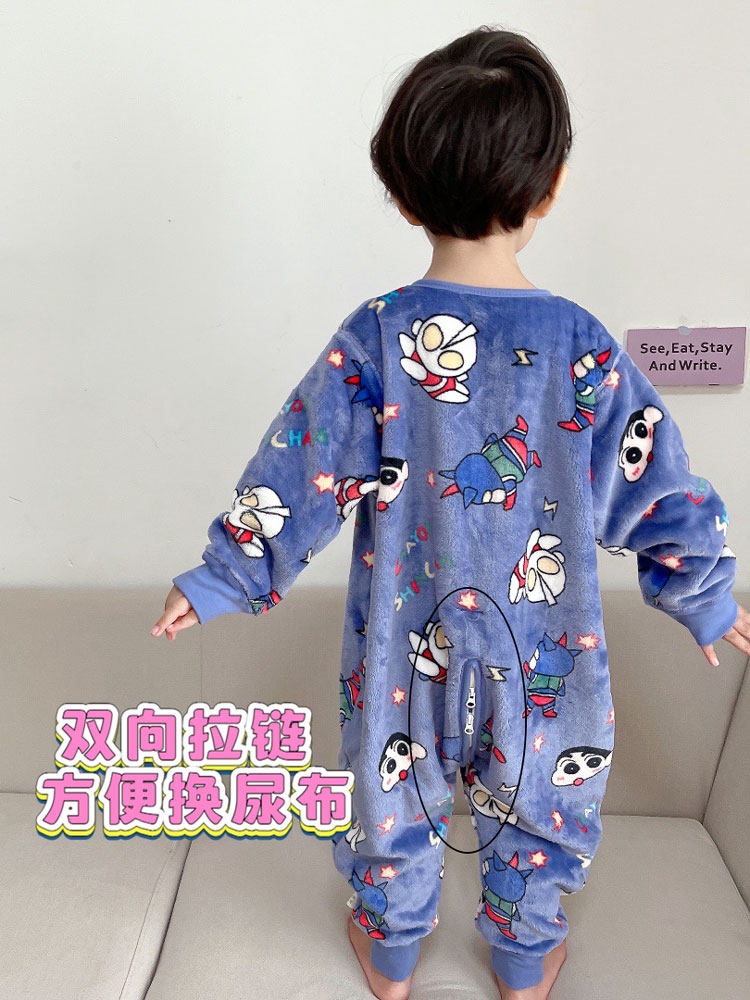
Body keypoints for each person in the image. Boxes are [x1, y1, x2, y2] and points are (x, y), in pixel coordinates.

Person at [151, 25, 750, 1000]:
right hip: (550, 647)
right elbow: (656, 482)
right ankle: (523, 960)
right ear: (551, 186)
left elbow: (303, 466)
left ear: (401, 191)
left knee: (392, 793)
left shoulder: (378, 334)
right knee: (543, 794)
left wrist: (228, 572)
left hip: (403, 646)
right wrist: (704, 593)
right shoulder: (580, 345)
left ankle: (392, 958)